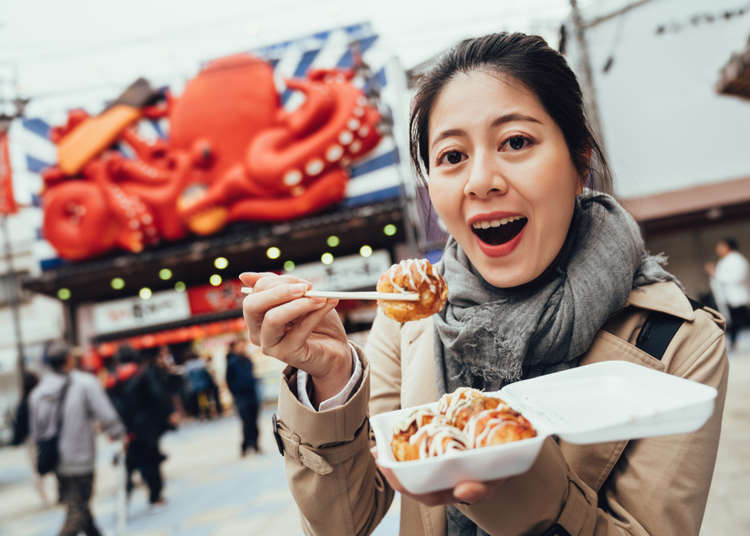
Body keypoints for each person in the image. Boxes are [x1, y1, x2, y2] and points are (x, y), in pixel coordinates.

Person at [240, 33, 729, 536]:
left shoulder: (678, 341)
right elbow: (343, 522)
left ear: (580, 160)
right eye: (452, 156)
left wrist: (505, 473)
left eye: (516, 142)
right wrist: (332, 378)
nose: (480, 180)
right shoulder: (409, 315)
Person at [29, 341, 124, 536]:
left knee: (78, 504)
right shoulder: (84, 383)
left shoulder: (38, 393)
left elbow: (36, 431)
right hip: (80, 456)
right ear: (68, 359)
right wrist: (118, 433)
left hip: (56, 459)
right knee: (78, 510)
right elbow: (105, 414)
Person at [118, 346, 176, 509]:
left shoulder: (114, 377)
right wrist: (169, 413)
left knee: (129, 464)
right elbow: (157, 395)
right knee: (150, 461)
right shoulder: (141, 373)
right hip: (146, 426)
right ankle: (155, 496)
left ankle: (124, 495)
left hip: (126, 429)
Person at [705, 237, 750, 350]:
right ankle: (733, 343)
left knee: (741, 320)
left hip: (736, 298)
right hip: (727, 299)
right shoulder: (724, 261)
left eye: (720, 246)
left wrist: (715, 273)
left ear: (727, 247)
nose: (718, 249)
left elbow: (737, 277)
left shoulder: (737, 260)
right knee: (735, 322)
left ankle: (733, 343)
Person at [225, 339, 260, 455]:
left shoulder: (247, 360)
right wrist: (235, 393)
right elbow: (228, 380)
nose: (242, 348)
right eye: (240, 345)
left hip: (252, 394)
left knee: (254, 420)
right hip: (241, 396)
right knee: (246, 421)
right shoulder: (232, 362)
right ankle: (246, 445)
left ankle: (255, 444)